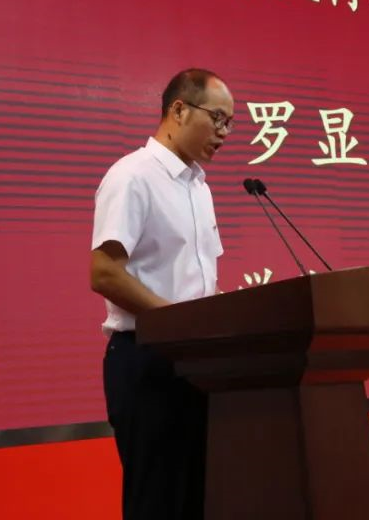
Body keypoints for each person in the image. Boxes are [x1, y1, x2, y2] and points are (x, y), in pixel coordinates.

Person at [90, 68, 234, 520]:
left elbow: (198, 282)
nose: (224, 133)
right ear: (179, 109)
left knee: (198, 500)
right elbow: (104, 273)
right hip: (147, 359)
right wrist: (178, 320)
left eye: (230, 123)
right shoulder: (133, 176)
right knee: (158, 503)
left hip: (197, 361)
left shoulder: (199, 188)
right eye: (217, 118)